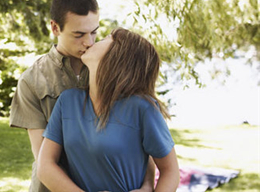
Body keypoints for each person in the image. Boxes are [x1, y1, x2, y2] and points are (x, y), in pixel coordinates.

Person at [9, 0, 155, 192]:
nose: (89, 42)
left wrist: (147, 186)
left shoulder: (109, 67)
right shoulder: (31, 81)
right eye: (78, 34)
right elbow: (45, 158)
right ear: (55, 27)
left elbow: (137, 140)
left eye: (94, 32)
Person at [37, 27, 180, 192]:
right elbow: (45, 166)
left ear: (118, 56)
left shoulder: (143, 108)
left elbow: (170, 171)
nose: (92, 42)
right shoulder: (67, 101)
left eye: (106, 38)